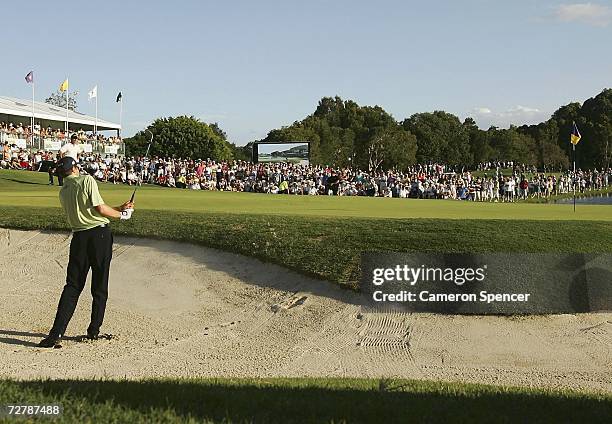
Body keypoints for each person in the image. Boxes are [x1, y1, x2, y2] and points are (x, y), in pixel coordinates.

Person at [38, 156, 135, 348]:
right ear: (75, 167)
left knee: (72, 286)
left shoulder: (63, 191)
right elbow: (99, 209)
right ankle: (93, 332)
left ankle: (55, 333)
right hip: (99, 236)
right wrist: (123, 215)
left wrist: (118, 209)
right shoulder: (87, 180)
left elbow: (94, 210)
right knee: (99, 285)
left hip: (79, 239)